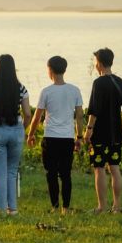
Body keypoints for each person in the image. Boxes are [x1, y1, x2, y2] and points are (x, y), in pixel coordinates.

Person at [27, 55, 83, 213]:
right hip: (67, 138)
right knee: (66, 174)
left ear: (50, 70)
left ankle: (55, 206)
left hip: (50, 138)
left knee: (51, 173)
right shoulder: (75, 90)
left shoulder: (46, 92)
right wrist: (79, 137)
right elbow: (79, 116)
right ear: (64, 70)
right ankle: (66, 207)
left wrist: (30, 135)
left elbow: (37, 117)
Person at [0, 54, 32, 215]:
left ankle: (0, 210)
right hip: (16, 128)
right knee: (11, 171)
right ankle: (13, 208)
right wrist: (22, 128)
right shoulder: (21, 88)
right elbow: (28, 113)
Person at [82, 48, 122, 213]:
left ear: (99, 64)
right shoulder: (121, 82)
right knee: (115, 168)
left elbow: (94, 111)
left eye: (96, 62)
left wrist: (89, 130)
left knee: (99, 169)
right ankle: (116, 206)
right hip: (116, 132)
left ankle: (101, 206)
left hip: (100, 133)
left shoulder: (98, 83)